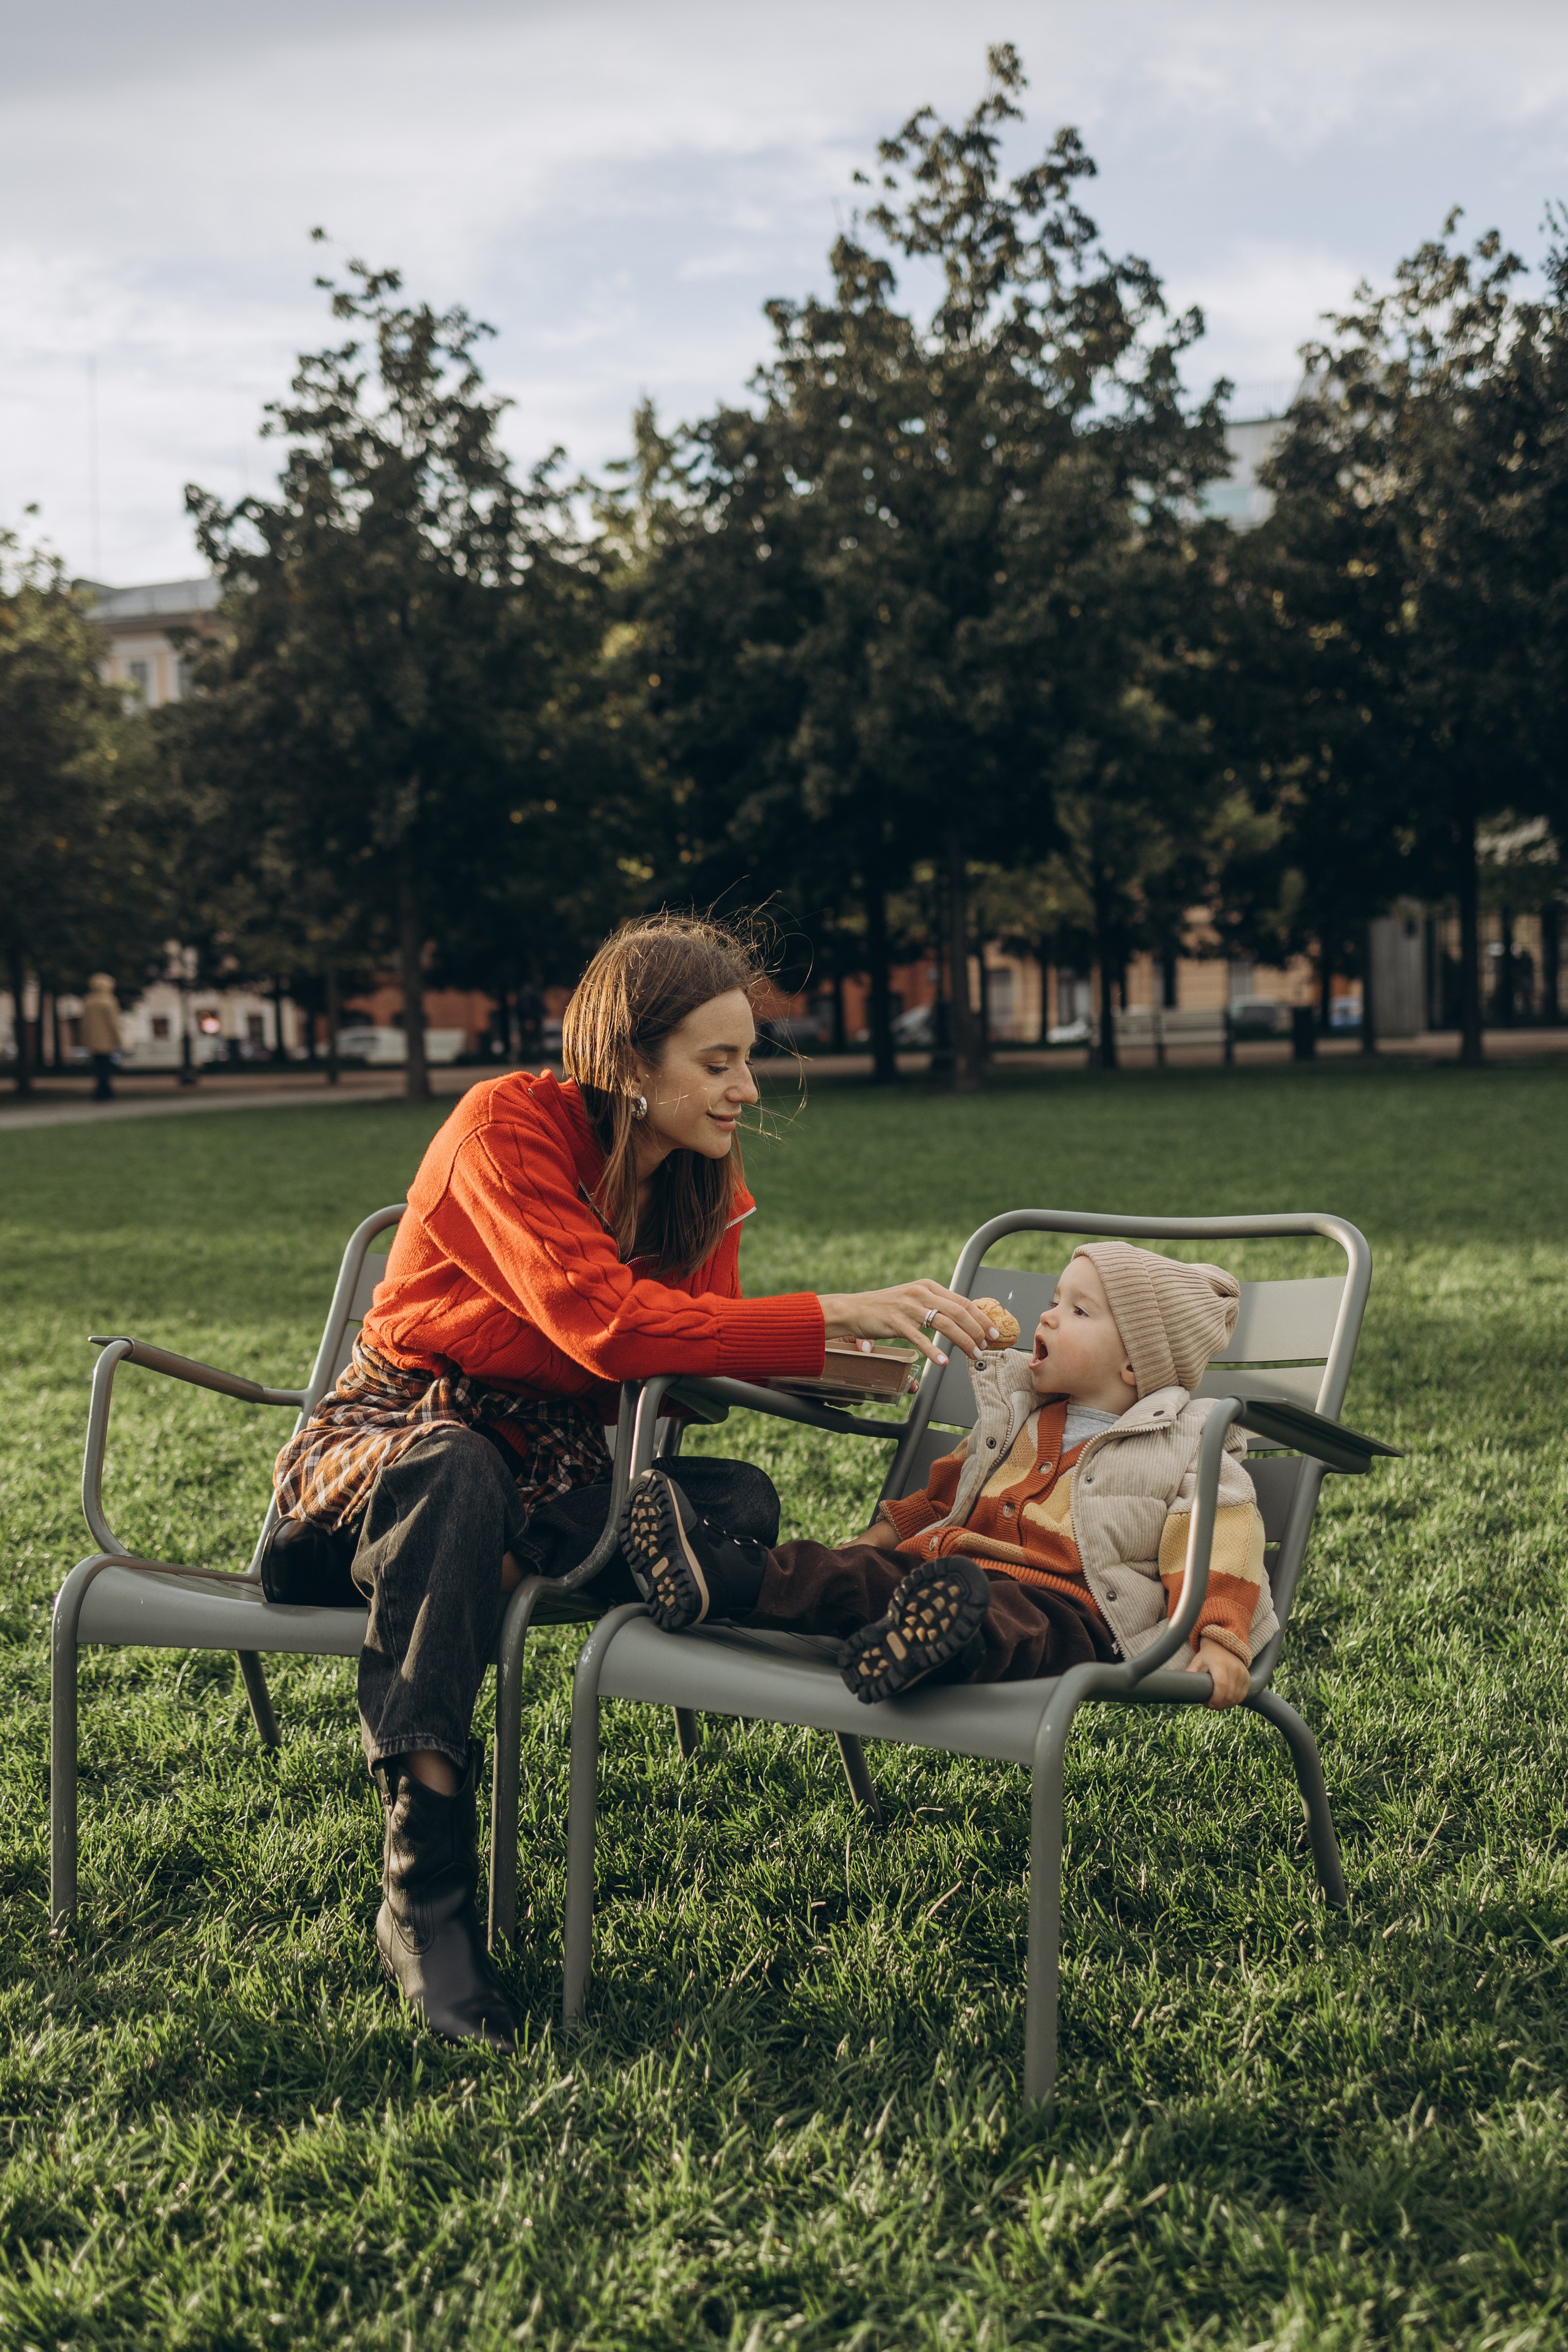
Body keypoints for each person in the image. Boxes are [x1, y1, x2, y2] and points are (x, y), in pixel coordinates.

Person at [266, 914, 993, 2052]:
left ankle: (460, 1576)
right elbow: (607, 1328)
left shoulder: (697, 1182)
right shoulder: (503, 1128)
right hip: (395, 1443)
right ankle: (426, 1896)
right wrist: (828, 1313)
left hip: (554, 1461)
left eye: (748, 1058)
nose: (748, 1089)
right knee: (456, 1473)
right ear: (627, 1063)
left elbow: (680, 1366)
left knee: (737, 1501)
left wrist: (822, 1366)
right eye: (720, 1062)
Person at [619, 1241, 1277, 1711]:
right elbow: (944, 1497)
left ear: (1137, 1365)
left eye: (1077, 1312)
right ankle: (725, 1574)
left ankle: (927, 1643)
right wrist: (875, 1542)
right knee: (856, 1576)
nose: (1046, 1316)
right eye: (1053, 1299)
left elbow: (1219, 1543)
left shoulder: (1186, 1442)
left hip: (1076, 1613)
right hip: (941, 1578)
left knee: (1007, 1619)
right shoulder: (1015, 1417)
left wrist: (1219, 1641)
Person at [78, 973, 123, 1100]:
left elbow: (84, 1023)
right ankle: (105, 1090)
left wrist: (84, 1038)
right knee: (105, 1066)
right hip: (107, 1040)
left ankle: (102, 1090)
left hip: (93, 1040)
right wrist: (119, 1039)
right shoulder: (109, 1001)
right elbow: (113, 1023)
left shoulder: (89, 1001)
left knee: (99, 1066)